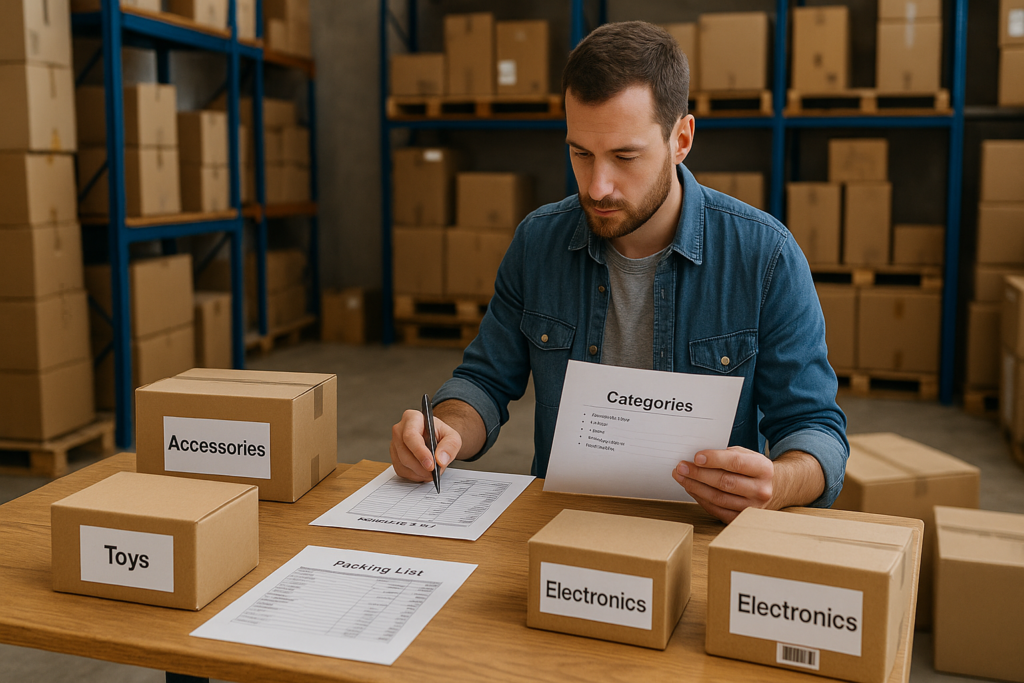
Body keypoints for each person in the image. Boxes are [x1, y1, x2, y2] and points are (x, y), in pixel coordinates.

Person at [389, 21, 849, 523]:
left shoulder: (765, 257)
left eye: (624, 156)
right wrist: (443, 430)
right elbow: (484, 381)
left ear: (682, 139)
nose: (598, 186)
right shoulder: (538, 242)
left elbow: (816, 429)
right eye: (580, 154)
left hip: (702, 535)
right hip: (563, 526)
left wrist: (778, 483)